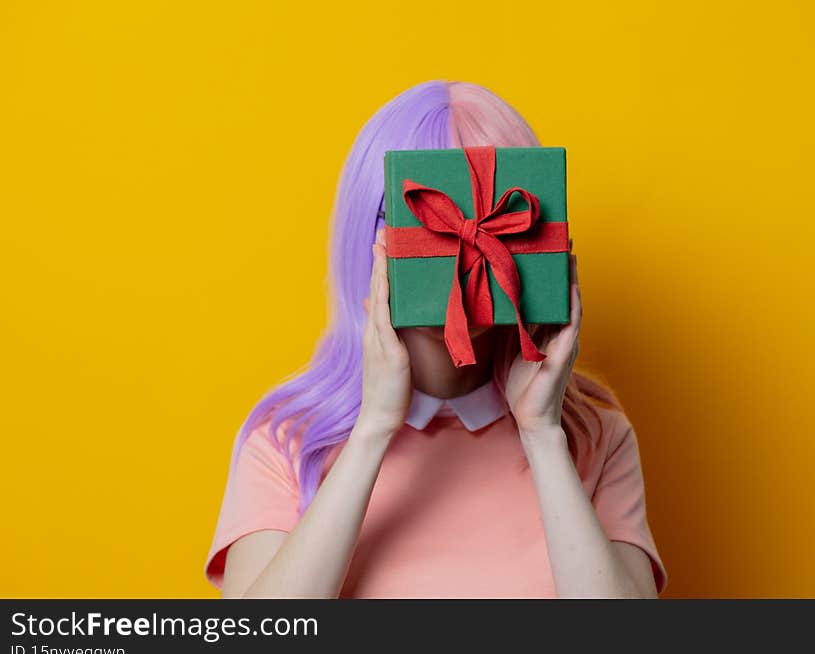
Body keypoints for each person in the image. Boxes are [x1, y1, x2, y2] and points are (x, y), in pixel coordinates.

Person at [204, 80, 668, 598]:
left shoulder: (596, 438)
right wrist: (373, 428)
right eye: (430, 217)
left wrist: (542, 435)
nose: (462, 254)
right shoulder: (288, 441)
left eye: (487, 218)